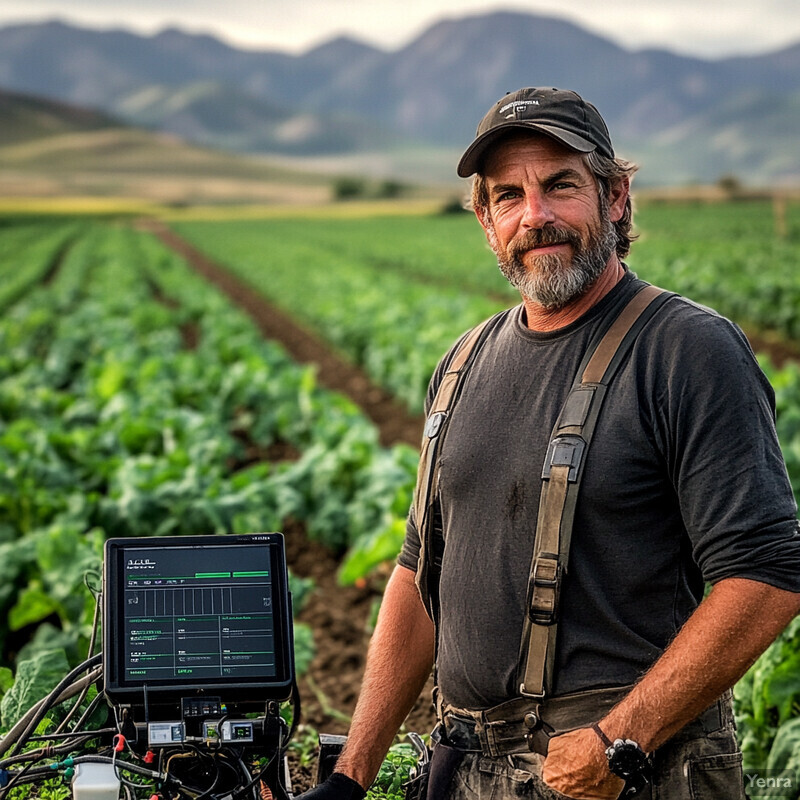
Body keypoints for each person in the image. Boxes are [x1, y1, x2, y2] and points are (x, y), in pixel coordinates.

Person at [299, 87, 800, 799]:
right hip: (468, 772)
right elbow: (417, 576)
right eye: (509, 195)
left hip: (624, 776)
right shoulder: (461, 364)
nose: (535, 217)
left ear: (616, 196)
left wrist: (618, 738)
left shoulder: (687, 351)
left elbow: (767, 573)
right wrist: (352, 773)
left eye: (560, 185)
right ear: (485, 218)